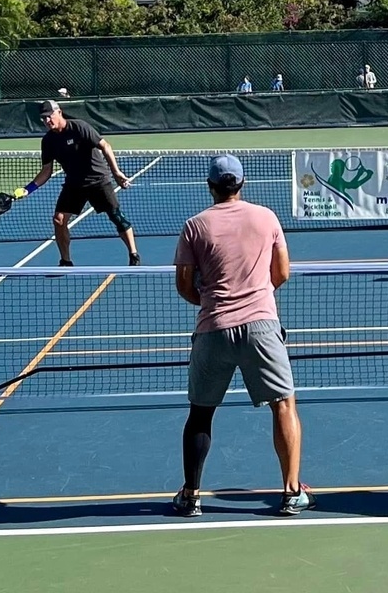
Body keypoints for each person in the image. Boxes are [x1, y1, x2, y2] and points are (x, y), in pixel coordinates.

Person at [170, 155, 314, 518]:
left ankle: (190, 495)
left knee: (200, 414)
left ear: (211, 186)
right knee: (283, 404)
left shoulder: (195, 226)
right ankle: (291, 493)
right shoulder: (266, 218)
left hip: (212, 329)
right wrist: (258, 294)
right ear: (242, 184)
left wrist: (210, 300)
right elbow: (282, 272)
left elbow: (183, 285)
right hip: (262, 328)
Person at [16, 100, 141, 267]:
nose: (47, 121)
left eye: (49, 116)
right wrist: (28, 189)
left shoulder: (79, 127)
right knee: (58, 220)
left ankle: (133, 254)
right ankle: (65, 261)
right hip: (74, 184)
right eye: (43, 118)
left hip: (98, 180)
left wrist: (116, 172)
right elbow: (46, 171)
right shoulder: (48, 141)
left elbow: (105, 146)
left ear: (59, 112)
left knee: (116, 217)